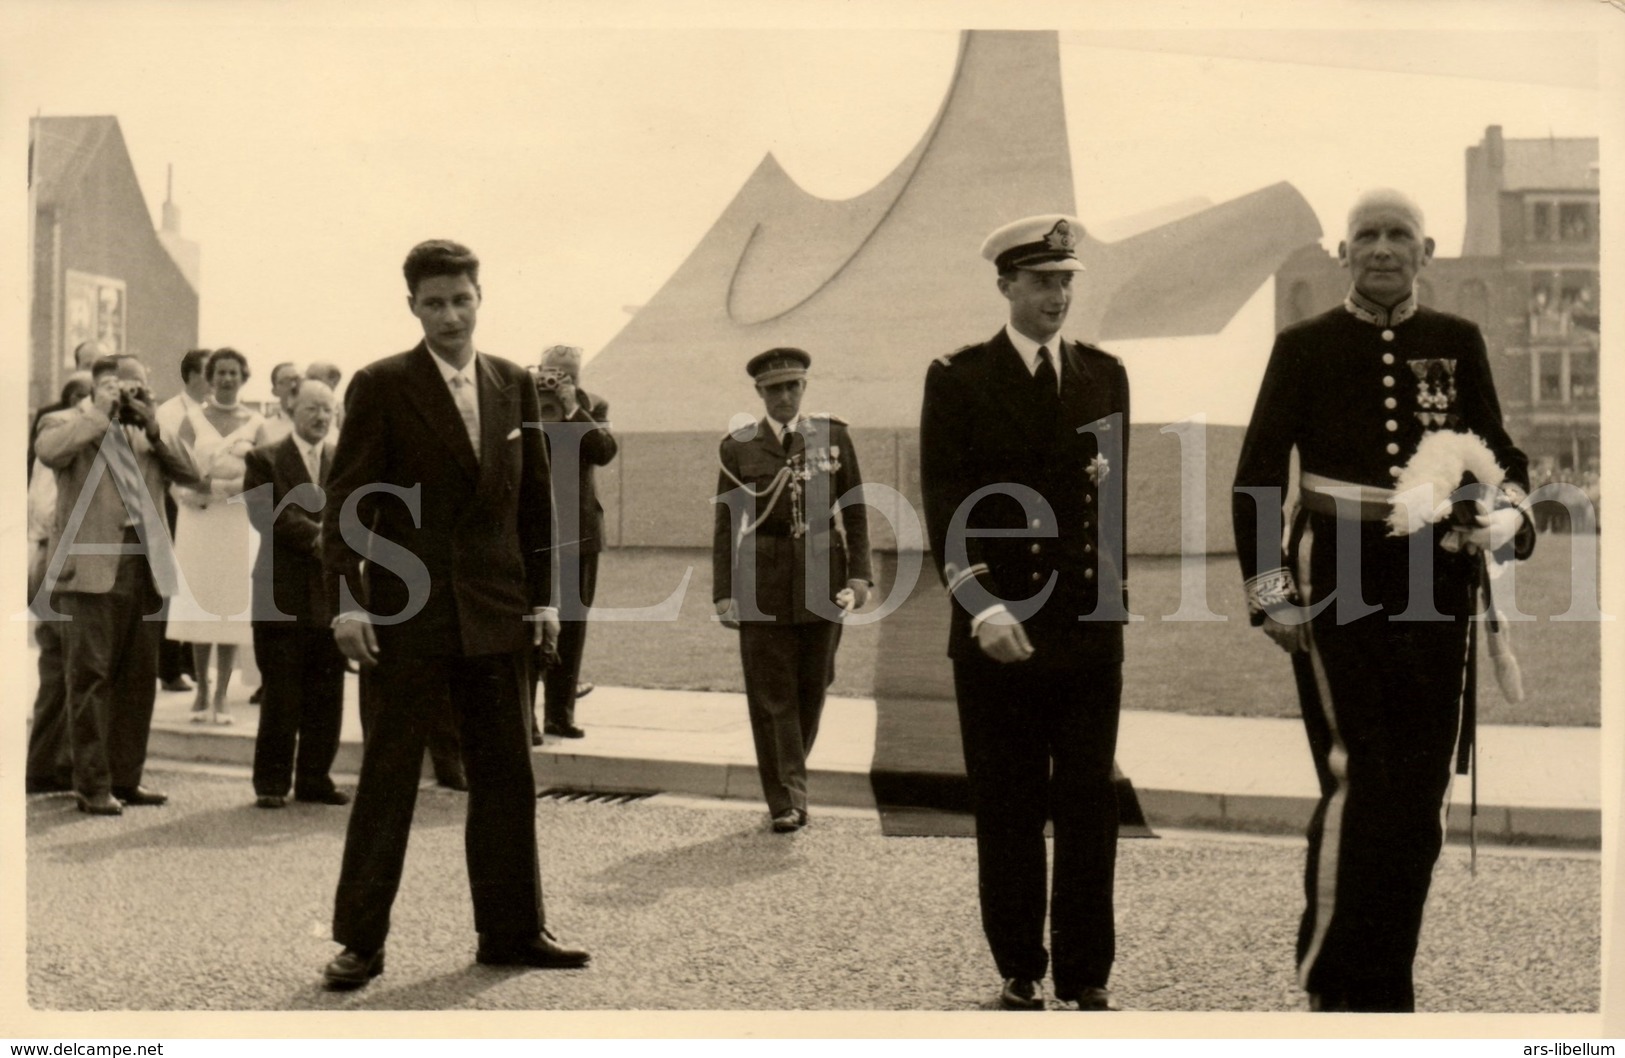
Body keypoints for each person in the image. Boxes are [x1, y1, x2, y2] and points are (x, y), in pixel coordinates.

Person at [1232, 189, 1535, 1013]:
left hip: (1435, 588)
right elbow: (1258, 475)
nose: (1381, 248)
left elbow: (1501, 456)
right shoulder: (1303, 346)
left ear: (1425, 251)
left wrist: (1508, 511)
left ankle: (1386, 983)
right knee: (1357, 780)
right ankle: (1333, 980)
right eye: (1365, 234)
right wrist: (1269, 595)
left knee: (1419, 794)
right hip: (1336, 583)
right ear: (1342, 252)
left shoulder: (1456, 340)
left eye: (1398, 234)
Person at [319, 239, 586, 990]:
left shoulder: (511, 384)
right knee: (389, 779)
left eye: (460, 299)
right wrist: (347, 600)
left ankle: (512, 930)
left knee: (505, 777)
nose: (449, 315)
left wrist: (542, 598)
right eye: (433, 302)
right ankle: (360, 941)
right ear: (412, 306)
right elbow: (345, 502)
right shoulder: (380, 385)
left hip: (499, 612)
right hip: (407, 617)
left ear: (480, 297)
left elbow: (535, 499)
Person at [918, 214, 1130, 1012]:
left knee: (1088, 805)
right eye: (1041, 281)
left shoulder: (1104, 375)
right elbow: (943, 504)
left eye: (1066, 280)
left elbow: (1105, 506)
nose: (1057, 295)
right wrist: (979, 604)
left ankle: (1085, 971)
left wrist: (1110, 612)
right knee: (1006, 805)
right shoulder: (960, 377)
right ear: (1005, 286)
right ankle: (1017, 964)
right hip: (995, 626)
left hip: (1085, 628)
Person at [712, 348, 872, 833]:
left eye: (793, 386)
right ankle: (787, 800)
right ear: (758, 393)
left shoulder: (833, 436)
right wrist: (724, 591)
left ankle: (789, 779)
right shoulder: (739, 446)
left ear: (804, 387)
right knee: (772, 695)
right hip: (761, 579)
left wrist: (860, 578)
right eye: (774, 388)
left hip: (824, 576)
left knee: (813, 686)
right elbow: (726, 523)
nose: (785, 396)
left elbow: (857, 511)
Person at [34, 354, 200, 814]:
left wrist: (154, 427)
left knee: (138, 678)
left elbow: (192, 473)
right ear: (100, 385)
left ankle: (127, 778)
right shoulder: (65, 420)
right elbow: (51, 453)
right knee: (89, 678)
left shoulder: (152, 431)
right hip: (90, 569)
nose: (133, 395)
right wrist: (98, 413)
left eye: (141, 387)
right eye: (124, 386)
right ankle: (92, 785)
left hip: (144, 567)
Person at [242, 379, 348, 809]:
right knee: (281, 693)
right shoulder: (263, 458)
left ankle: (315, 778)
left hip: (330, 592)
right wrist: (321, 537)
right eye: (312, 408)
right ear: (291, 409)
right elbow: (263, 513)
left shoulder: (343, 460)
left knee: (328, 691)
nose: (321, 417)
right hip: (279, 591)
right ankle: (271, 783)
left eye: (328, 409)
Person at [168, 348, 265, 724]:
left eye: (233, 372)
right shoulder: (192, 419)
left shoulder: (256, 423)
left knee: (229, 603)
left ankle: (223, 693)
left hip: (236, 521)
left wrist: (229, 487)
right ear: (209, 378)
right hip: (198, 518)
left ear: (243, 377)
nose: (227, 379)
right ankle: (203, 689)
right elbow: (176, 467)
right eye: (220, 372)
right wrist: (192, 492)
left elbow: (262, 476)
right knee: (198, 602)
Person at [530, 343, 618, 742]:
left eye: (567, 375)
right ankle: (525, 717)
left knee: (572, 625)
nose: (558, 381)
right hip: (535, 530)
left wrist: (570, 408)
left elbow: (602, 451)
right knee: (531, 622)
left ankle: (559, 715)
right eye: (552, 373)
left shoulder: (593, 405)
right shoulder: (524, 400)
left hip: (579, 532)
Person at [25, 371, 95, 795]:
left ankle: (52, 760)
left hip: (59, 559)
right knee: (61, 666)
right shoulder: (60, 433)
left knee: (63, 667)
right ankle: (47, 763)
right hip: (58, 561)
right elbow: (47, 508)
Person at [155, 348, 213, 694]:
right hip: (176, 505)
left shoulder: (207, 413)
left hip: (200, 509)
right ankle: (169, 667)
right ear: (192, 375)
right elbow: (168, 464)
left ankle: (191, 664)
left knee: (196, 584)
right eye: (209, 372)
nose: (216, 380)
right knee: (172, 587)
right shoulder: (169, 412)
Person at [255, 361, 303, 446]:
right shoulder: (266, 430)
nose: (293, 385)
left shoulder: (321, 426)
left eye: (297, 380)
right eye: (286, 381)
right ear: (275, 391)